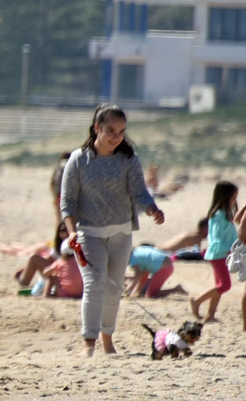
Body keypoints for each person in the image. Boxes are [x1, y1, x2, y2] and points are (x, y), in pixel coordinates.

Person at [59, 103, 164, 357]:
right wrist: (72, 232)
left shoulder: (128, 159)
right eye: (111, 131)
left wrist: (151, 209)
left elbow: (139, 192)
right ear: (97, 128)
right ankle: (89, 343)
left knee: (114, 289)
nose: (116, 137)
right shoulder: (78, 160)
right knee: (94, 285)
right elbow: (67, 202)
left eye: (121, 132)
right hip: (87, 233)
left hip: (121, 233)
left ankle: (107, 340)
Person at [190, 181, 238, 323]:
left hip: (222, 254)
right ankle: (197, 301)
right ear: (225, 197)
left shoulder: (225, 215)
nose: (235, 201)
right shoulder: (218, 215)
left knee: (219, 285)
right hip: (219, 254)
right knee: (225, 285)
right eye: (233, 198)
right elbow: (216, 238)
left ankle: (209, 315)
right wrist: (227, 250)